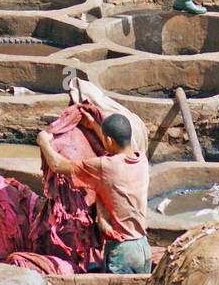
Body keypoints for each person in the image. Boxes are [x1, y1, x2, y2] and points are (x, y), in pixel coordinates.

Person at [37, 113, 153, 274]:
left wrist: (43, 143)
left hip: (122, 251)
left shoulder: (105, 166)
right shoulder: (141, 160)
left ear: (109, 140)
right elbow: (115, 144)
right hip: (143, 248)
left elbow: (57, 165)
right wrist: (93, 125)